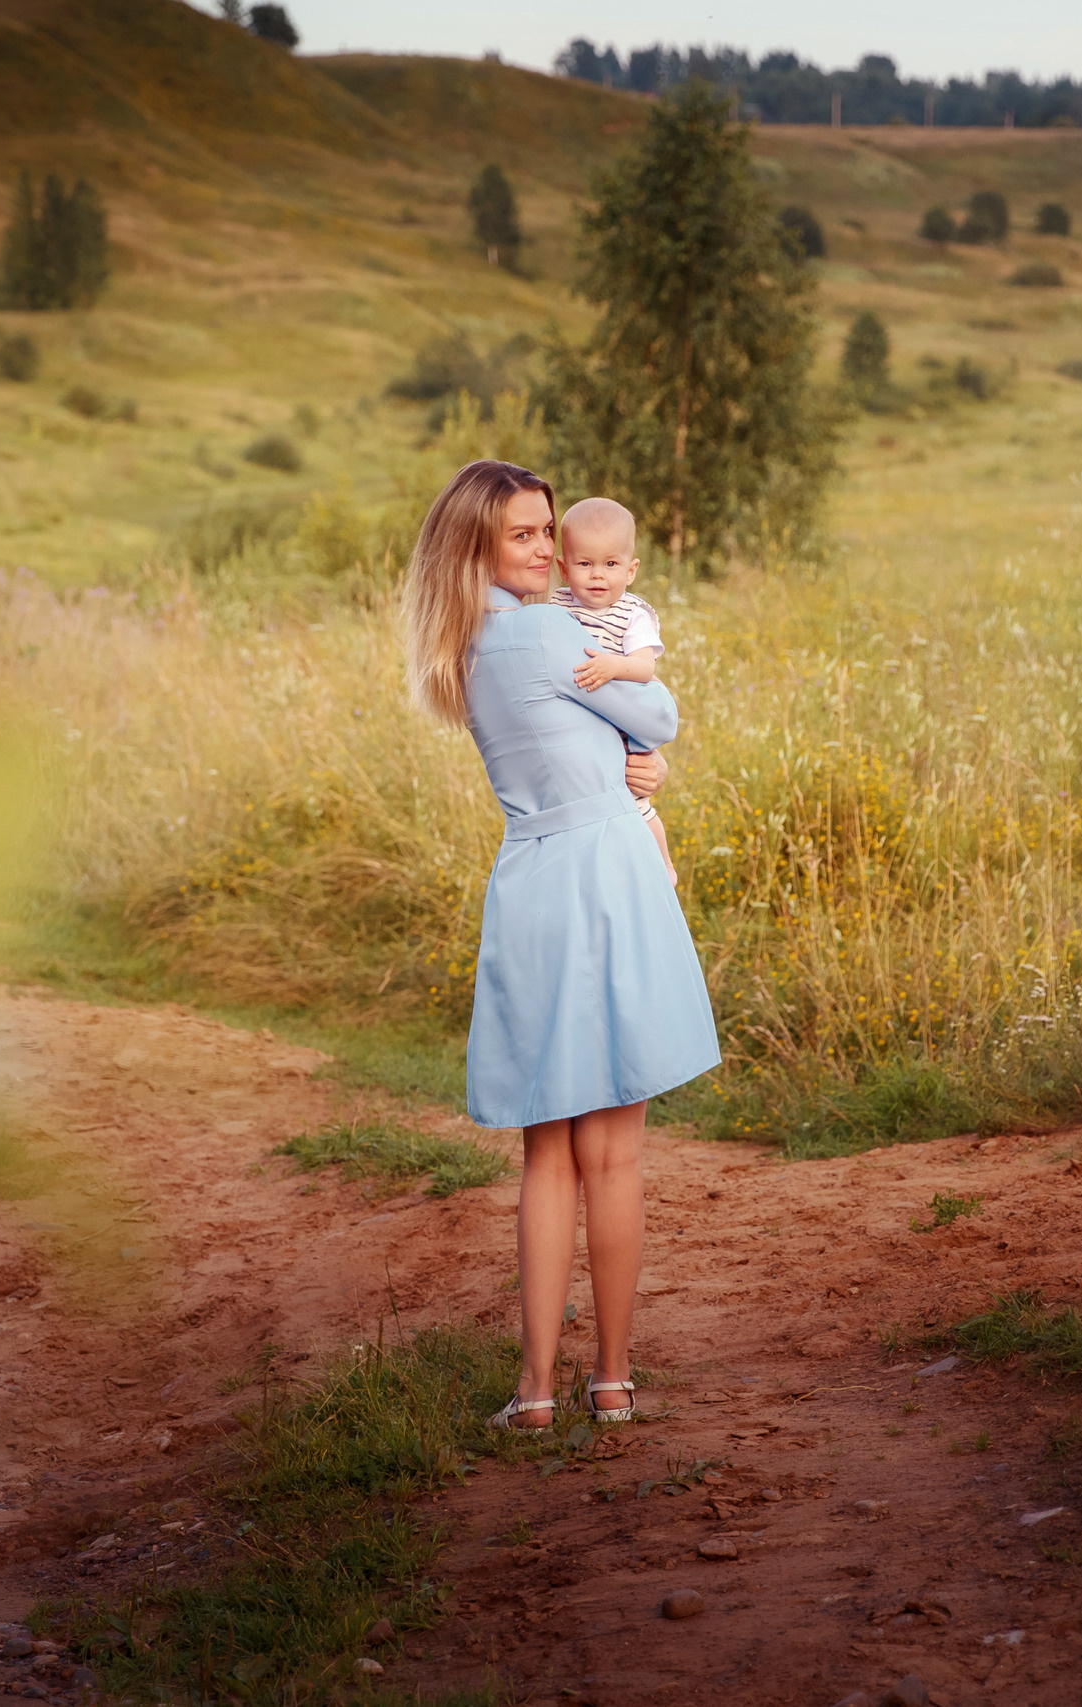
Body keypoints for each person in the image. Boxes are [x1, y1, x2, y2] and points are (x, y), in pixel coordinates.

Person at [401, 459, 721, 1432]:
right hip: (606, 876)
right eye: (525, 537)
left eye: (548, 531)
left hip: (531, 881)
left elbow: (579, 740)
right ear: (479, 548)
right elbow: (656, 714)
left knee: (546, 1150)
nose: (547, 551)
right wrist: (648, 753)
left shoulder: (466, 645)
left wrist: (629, 756)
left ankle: (534, 1392)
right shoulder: (553, 630)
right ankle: (612, 1380)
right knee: (611, 1154)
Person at [553, 495, 679, 889]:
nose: (597, 576)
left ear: (631, 569)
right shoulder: (555, 605)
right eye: (584, 564)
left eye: (611, 564)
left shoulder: (632, 614)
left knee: (638, 803)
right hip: (582, 722)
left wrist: (613, 666)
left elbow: (644, 668)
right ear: (563, 567)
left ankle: (665, 869)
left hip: (622, 721)